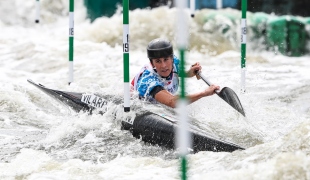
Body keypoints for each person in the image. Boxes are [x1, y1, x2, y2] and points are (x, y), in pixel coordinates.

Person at [131, 38, 219, 108]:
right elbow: (172, 102)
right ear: (152, 63)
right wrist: (204, 93)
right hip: (135, 102)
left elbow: (178, 72)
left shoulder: (174, 62)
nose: (163, 65)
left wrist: (190, 72)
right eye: (158, 61)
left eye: (166, 59)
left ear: (172, 58)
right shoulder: (149, 81)